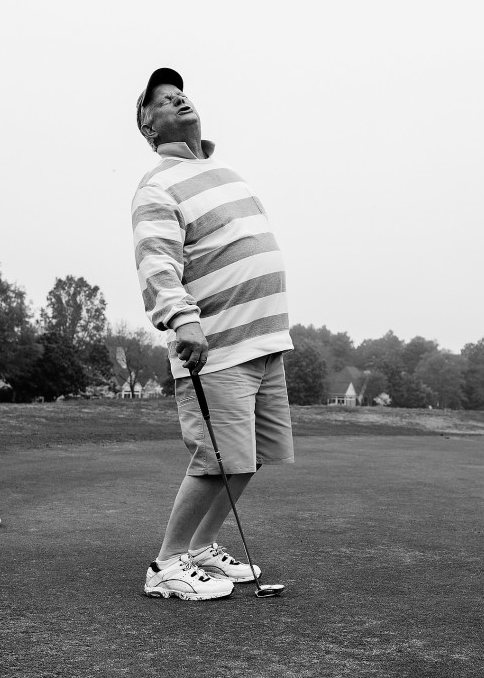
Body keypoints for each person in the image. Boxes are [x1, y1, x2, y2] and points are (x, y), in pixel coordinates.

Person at [132, 68, 295, 600]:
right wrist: (184, 320)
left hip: (264, 341)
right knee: (217, 459)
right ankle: (167, 563)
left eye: (180, 93)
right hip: (217, 347)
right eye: (161, 99)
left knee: (251, 457)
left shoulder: (226, 170)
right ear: (147, 126)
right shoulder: (156, 186)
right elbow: (157, 262)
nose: (176, 98)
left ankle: (201, 547)